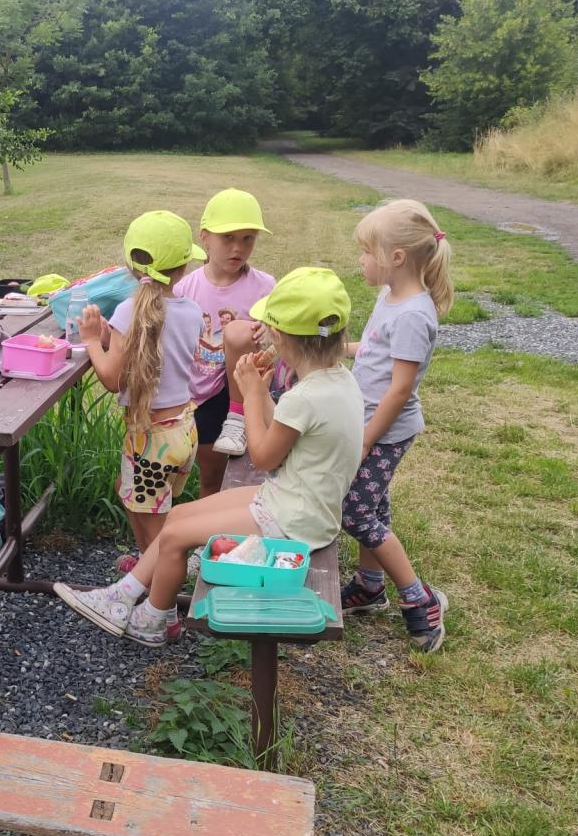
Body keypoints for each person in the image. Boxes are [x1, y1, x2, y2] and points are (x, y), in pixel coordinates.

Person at [55, 267, 363, 647]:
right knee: (178, 516)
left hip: (294, 520)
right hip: (298, 501)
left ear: (280, 337)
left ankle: (153, 620)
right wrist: (261, 391)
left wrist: (252, 395)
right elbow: (283, 435)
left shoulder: (305, 397)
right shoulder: (339, 380)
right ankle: (127, 596)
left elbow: (264, 458)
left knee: (175, 536)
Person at [339, 199, 453, 653]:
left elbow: (400, 388)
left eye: (368, 252)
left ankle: (419, 598)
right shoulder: (390, 298)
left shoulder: (412, 315)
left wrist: (367, 440)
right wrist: (332, 349)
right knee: (373, 508)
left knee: (355, 513)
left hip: (385, 433)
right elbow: (371, 352)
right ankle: (370, 586)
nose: (362, 260)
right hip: (369, 425)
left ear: (396, 257)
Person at [76, 210, 205, 557]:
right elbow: (158, 350)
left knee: (159, 536)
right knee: (126, 488)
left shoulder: (129, 311)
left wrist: (92, 340)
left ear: (130, 264)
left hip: (150, 441)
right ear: (183, 267)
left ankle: (158, 583)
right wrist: (113, 336)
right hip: (183, 431)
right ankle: (146, 566)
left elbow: (112, 379)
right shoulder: (192, 311)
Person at [174, 188, 278, 463]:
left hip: (248, 392)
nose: (238, 248)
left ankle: (237, 416)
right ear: (204, 237)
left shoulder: (266, 287)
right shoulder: (185, 288)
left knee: (244, 472)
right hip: (200, 393)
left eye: (248, 238)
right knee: (211, 474)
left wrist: (268, 332)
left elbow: (281, 339)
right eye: (228, 237)